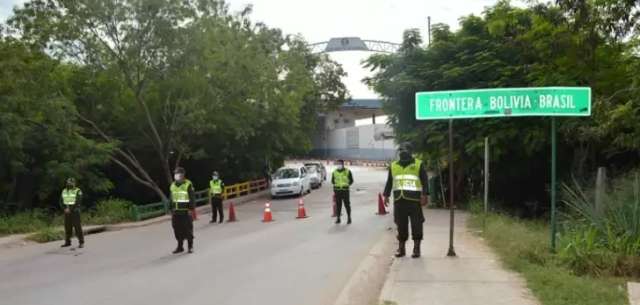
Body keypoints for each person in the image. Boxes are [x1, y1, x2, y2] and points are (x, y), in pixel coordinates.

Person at [383, 142, 429, 258]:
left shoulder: (418, 164)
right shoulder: (393, 165)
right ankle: (401, 248)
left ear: (410, 151)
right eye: (401, 150)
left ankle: (416, 248)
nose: (402, 152)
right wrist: (386, 195)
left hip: (414, 200)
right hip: (399, 200)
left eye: (405, 150)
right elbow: (389, 181)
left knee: (416, 224)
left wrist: (425, 195)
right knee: (400, 225)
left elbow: (425, 180)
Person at [170, 167, 196, 254]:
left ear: (182, 174)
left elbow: (192, 197)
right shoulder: (173, 185)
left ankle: (190, 246)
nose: (176, 175)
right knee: (177, 229)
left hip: (185, 211)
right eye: (175, 174)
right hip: (176, 211)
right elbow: (171, 198)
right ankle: (180, 246)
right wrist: (171, 208)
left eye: (177, 174)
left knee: (188, 229)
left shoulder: (188, 184)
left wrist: (190, 208)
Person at [60, 178, 84, 248]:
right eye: (68, 182)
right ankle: (67, 242)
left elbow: (78, 201)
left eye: (71, 182)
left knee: (77, 227)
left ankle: (81, 242)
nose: (69, 184)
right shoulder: (64, 190)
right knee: (67, 227)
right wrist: (64, 208)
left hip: (75, 211)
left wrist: (70, 209)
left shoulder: (78, 191)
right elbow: (61, 201)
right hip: (67, 212)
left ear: (74, 183)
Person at [331, 159, 354, 224]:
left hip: (345, 191)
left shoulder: (347, 171)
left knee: (347, 205)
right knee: (338, 205)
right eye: (337, 164)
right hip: (337, 191)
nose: (338, 165)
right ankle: (338, 218)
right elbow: (332, 181)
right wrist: (336, 188)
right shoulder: (334, 172)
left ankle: (349, 218)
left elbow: (351, 180)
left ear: (343, 164)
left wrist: (346, 185)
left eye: (340, 164)